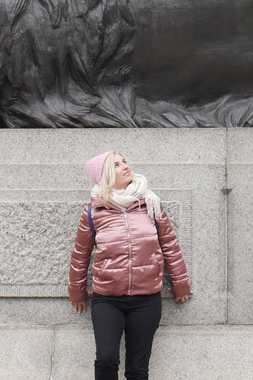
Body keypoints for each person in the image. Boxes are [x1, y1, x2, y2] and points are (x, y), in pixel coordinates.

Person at [69, 150, 191, 380]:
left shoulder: (151, 204)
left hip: (146, 299)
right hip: (107, 300)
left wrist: (180, 285)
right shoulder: (93, 213)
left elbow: (170, 246)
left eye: (124, 161)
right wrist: (76, 292)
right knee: (106, 360)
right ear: (104, 175)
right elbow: (80, 254)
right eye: (116, 165)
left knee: (137, 369)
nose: (125, 166)